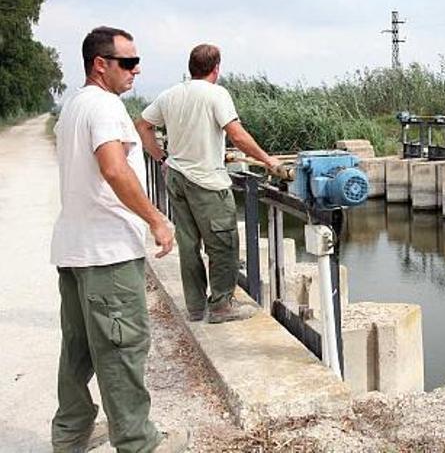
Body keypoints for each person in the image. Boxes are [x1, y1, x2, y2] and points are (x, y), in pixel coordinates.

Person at [50, 26, 188, 452]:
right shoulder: (106, 106)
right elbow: (114, 168)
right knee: (121, 346)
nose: (135, 70)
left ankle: (71, 433)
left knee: (79, 349)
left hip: (75, 249)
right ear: (101, 65)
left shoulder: (74, 106)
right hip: (106, 252)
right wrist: (156, 219)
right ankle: (138, 442)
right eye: (127, 62)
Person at [135, 44, 281, 324]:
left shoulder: (170, 94)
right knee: (223, 243)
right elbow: (237, 135)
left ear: (191, 67)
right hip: (206, 181)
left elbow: (141, 125)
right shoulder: (217, 94)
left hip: (177, 177)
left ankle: (195, 307)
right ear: (216, 68)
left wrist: (161, 156)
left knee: (188, 245)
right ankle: (222, 305)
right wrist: (268, 160)